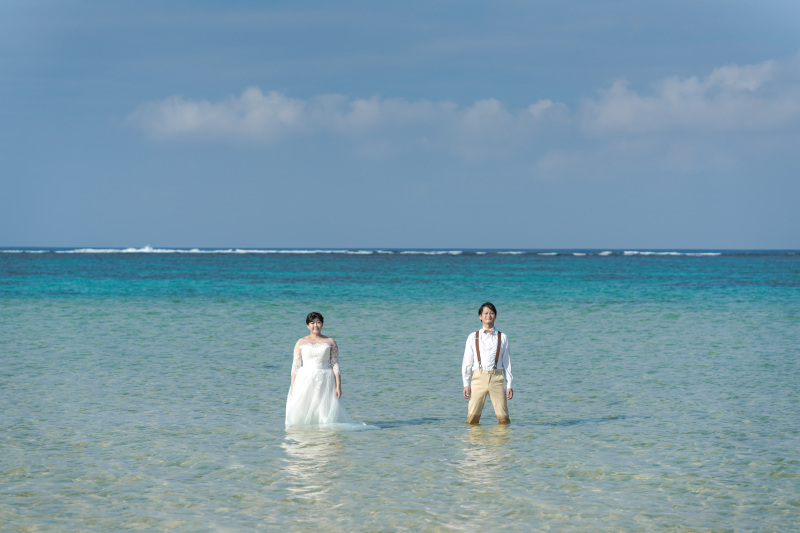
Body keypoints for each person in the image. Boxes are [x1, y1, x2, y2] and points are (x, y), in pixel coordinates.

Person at [285, 312, 354, 427]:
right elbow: (295, 367)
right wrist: (293, 387)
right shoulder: (300, 342)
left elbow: (335, 364)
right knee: (304, 409)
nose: (315, 325)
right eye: (312, 323)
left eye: (318, 322)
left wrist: (338, 386)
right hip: (305, 379)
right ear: (307, 325)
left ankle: (324, 437)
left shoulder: (330, 342)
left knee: (323, 409)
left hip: (325, 378)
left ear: (322, 324)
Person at [462, 302, 513, 424]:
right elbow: (467, 361)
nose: (488, 315)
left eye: (491, 313)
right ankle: (474, 441)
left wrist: (509, 384)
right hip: (478, 378)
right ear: (480, 316)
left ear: (495, 316)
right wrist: (465, 383)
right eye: (485, 313)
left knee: (503, 419)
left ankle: (502, 441)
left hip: (497, 378)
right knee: (472, 418)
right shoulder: (473, 336)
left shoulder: (503, 337)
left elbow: (507, 363)